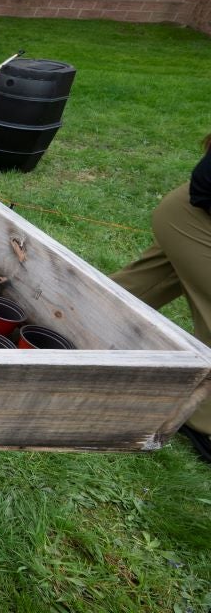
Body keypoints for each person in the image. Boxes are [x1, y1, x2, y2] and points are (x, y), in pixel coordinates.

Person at [111, 134, 211, 463]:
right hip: (197, 216)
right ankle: (205, 422)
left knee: (128, 294)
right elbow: (206, 185)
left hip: (191, 214)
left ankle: (64, 317)